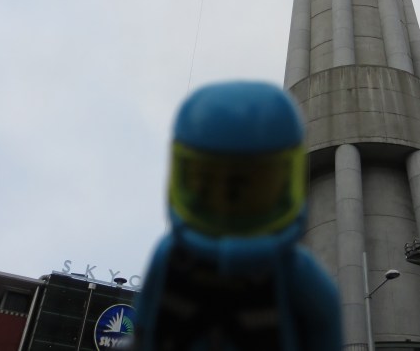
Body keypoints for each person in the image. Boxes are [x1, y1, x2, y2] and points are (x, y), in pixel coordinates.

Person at [134, 81, 342, 351]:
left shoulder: (294, 273)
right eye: (209, 185)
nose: (230, 204)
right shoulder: (168, 260)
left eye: (252, 188)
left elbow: (325, 330)